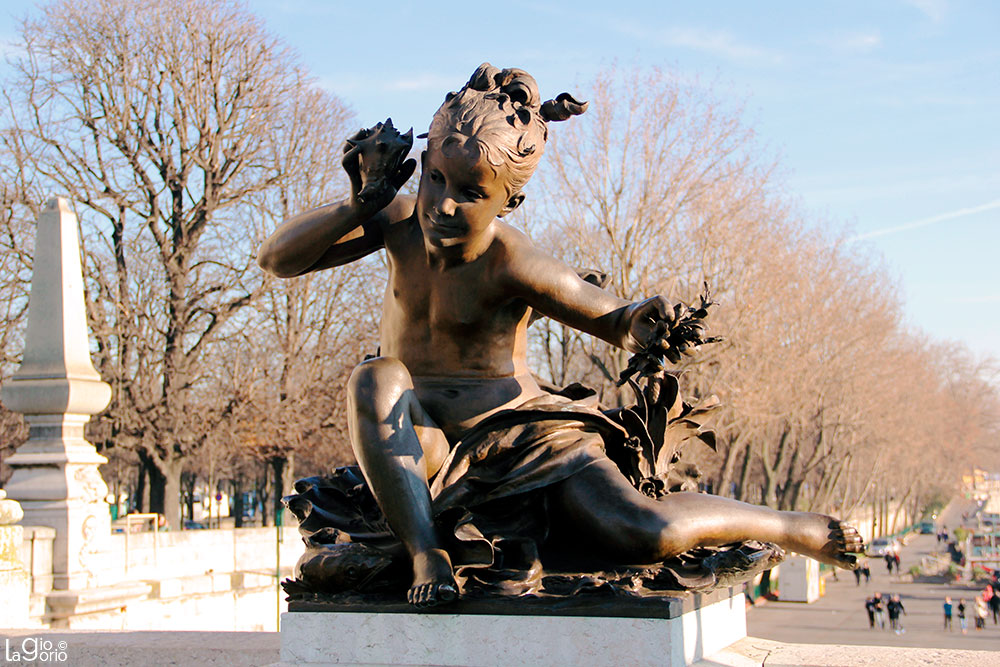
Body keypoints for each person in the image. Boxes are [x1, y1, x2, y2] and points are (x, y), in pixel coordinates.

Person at [257, 63, 866, 607]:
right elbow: (278, 259)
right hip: (421, 434)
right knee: (376, 377)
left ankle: (790, 526)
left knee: (645, 533)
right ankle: (426, 552)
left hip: (523, 436)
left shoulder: (512, 262)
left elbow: (605, 313)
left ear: (509, 200)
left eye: (470, 193)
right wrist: (360, 203)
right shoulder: (395, 220)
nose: (442, 205)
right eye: (436, 179)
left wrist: (639, 323)